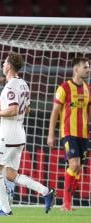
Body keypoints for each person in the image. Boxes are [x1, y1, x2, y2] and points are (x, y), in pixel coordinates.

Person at [0, 52, 56, 216]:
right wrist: (1, 107)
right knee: (10, 174)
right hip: (19, 133)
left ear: (9, 65)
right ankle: (46, 191)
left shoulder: (10, 86)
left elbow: (13, 110)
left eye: (4, 63)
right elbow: (26, 109)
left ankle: (5, 209)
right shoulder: (23, 84)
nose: (2, 65)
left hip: (8, 133)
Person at [47, 57, 90, 211]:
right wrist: (51, 134)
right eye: (85, 67)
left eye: (88, 67)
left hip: (84, 135)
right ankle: (66, 203)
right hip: (69, 133)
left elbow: (88, 112)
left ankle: (68, 203)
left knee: (79, 169)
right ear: (76, 69)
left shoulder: (87, 89)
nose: (88, 69)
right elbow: (55, 113)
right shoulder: (64, 88)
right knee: (75, 164)